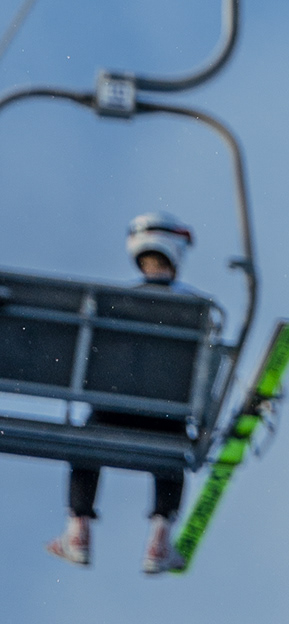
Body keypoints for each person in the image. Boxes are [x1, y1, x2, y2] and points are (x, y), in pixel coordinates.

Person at [46, 213, 197, 576]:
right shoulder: (196, 309)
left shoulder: (112, 304)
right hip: (167, 417)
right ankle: (160, 531)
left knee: (87, 440)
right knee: (175, 448)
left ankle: (78, 527)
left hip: (110, 412)